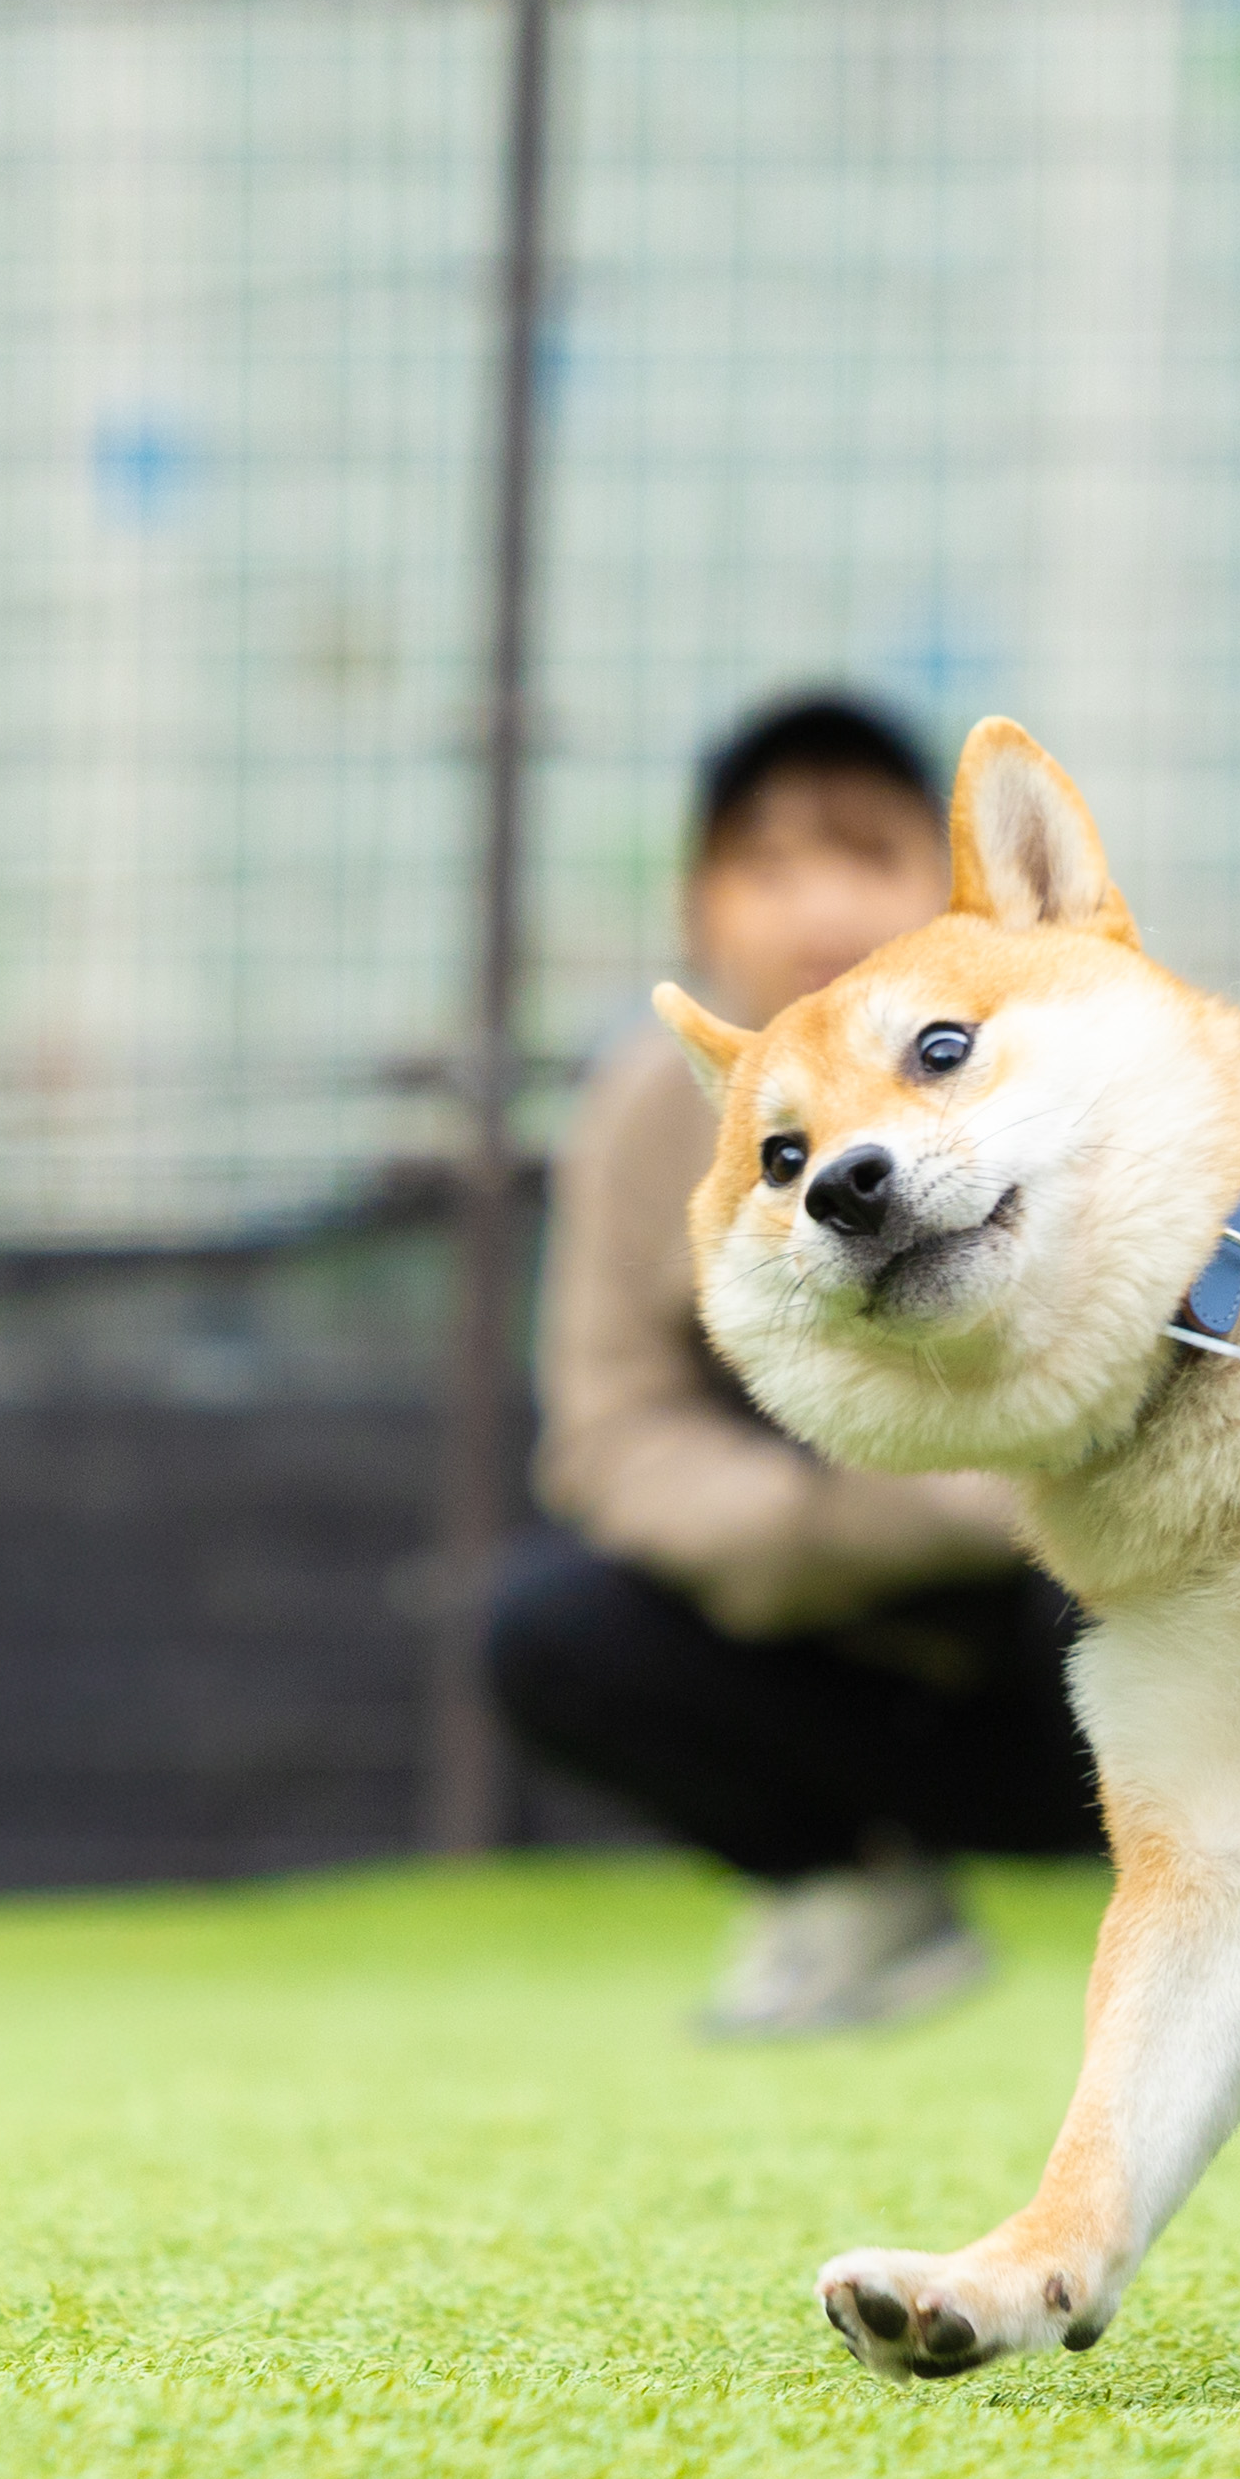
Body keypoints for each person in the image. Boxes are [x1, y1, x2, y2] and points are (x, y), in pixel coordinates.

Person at [484, 690, 1106, 2034]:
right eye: (766, 864)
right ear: (703, 907)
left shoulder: (1033, 1062)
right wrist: (802, 1533)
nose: (815, 901)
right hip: (812, 1618)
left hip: (1052, 1606)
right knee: (550, 1633)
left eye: (861, 851)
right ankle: (849, 1893)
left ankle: (1228, 1895)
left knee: (1140, 1591)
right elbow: (610, 1427)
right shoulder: (646, 1112)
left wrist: (961, 1502)